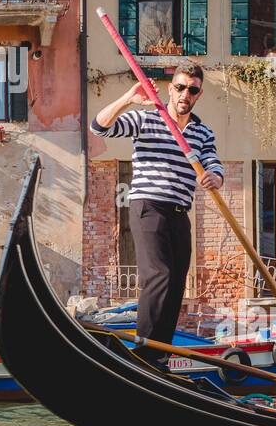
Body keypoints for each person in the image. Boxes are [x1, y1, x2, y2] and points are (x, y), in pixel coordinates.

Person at [91, 62, 224, 364]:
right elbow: (98, 126)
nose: (184, 94)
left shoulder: (202, 132)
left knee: (177, 281)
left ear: (198, 94)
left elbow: (213, 163)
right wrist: (128, 98)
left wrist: (215, 178)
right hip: (148, 205)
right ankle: (145, 351)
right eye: (180, 87)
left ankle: (159, 356)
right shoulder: (146, 119)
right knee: (160, 275)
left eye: (192, 89)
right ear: (170, 88)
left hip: (179, 212)